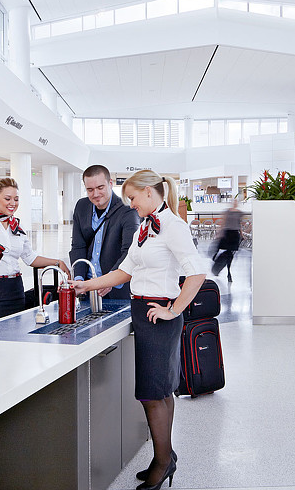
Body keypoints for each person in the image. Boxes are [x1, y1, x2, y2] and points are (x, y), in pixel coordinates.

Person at [73, 170, 207, 490]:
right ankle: (165, 455)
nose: (130, 205)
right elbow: (124, 271)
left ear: (149, 192)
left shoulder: (172, 226)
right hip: (144, 311)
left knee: (150, 394)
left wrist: (173, 309)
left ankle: (162, 462)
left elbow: (196, 274)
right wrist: (86, 284)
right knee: (160, 390)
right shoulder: (145, 229)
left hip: (158, 316)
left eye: (132, 198)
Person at [0, 178, 68, 325]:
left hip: (16, 291)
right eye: (8, 198)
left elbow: (30, 258)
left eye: (16, 199)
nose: (13, 203)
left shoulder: (17, 226)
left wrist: (57, 262)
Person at [70, 165, 140, 302]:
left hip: (117, 290)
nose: (95, 194)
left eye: (100, 188)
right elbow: (78, 246)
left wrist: (109, 281)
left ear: (110, 184)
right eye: (90, 190)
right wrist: (79, 279)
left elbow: (130, 251)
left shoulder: (127, 210)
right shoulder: (81, 206)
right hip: (87, 288)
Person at [211, 197, 243, 282]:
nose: (235, 203)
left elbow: (239, 224)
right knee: (218, 250)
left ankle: (228, 272)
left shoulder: (239, 213)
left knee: (230, 254)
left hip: (235, 234)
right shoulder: (227, 212)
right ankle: (216, 265)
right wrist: (219, 233)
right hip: (227, 233)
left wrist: (242, 234)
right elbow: (223, 222)